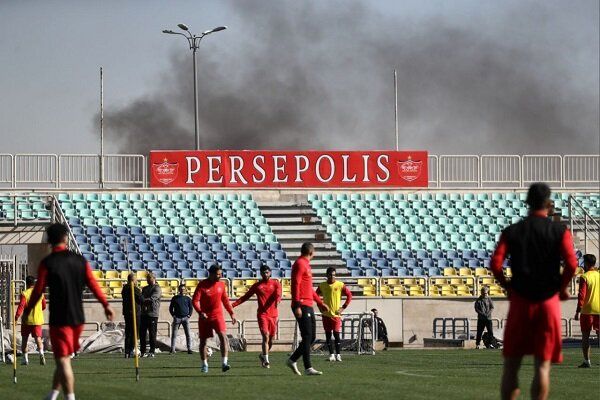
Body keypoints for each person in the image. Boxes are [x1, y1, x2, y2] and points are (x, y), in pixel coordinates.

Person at [490, 183, 578, 400]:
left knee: (511, 366)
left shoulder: (512, 231)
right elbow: (572, 264)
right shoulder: (560, 231)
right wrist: (562, 288)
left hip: (521, 301)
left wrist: (508, 287)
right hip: (548, 302)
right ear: (549, 204)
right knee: (542, 366)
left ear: (527, 203)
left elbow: (495, 263)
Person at [24, 223, 115, 400]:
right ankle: (52, 395)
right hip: (78, 319)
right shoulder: (80, 260)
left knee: (63, 360)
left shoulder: (47, 263)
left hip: (60, 319)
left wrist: (28, 309)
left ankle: (70, 397)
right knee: (63, 357)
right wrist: (106, 305)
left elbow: (38, 290)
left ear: (49, 241)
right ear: (65, 238)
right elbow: (93, 283)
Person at [287, 242, 329, 376]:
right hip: (302, 304)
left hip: (308, 304)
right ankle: (308, 367)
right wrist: (297, 305)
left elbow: (309, 288)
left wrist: (319, 302)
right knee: (307, 336)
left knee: (311, 337)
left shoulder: (306, 264)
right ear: (312, 252)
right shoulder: (300, 263)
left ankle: (293, 359)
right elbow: (295, 284)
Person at [232, 264, 281, 368]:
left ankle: (263, 355)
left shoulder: (276, 283)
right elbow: (245, 297)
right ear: (260, 273)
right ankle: (267, 361)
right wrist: (233, 304)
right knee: (265, 336)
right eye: (263, 272)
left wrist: (277, 300)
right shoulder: (257, 286)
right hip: (262, 315)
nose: (265, 274)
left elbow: (278, 294)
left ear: (270, 273)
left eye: (267, 272)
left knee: (271, 340)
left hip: (273, 315)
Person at [192, 264, 237, 373]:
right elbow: (194, 301)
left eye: (220, 274)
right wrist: (200, 312)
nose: (220, 276)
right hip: (204, 317)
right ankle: (204, 364)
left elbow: (225, 301)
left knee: (223, 337)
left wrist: (232, 313)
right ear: (211, 274)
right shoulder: (202, 285)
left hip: (217, 315)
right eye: (217, 274)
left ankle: (224, 363)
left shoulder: (221, 285)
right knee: (203, 341)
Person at [316, 267, 352, 362]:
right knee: (328, 335)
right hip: (326, 314)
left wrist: (343, 307)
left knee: (336, 335)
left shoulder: (340, 285)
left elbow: (349, 295)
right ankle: (331, 355)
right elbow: (315, 295)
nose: (333, 277)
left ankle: (338, 354)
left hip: (336, 315)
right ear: (327, 275)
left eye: (334, 275)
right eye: (331, 275)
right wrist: (320, 305)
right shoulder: (322, 285)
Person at [14, 275, 47, 366]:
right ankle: (41, 354)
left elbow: (21, 306)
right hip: (37, 320)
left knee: (24, 339)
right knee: (38, 339)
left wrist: (16, 317)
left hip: (26, 320)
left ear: (27, 283)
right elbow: (44, 306)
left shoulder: (25, 293)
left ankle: (25, 360)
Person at [574, 254, 599, 368]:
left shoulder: (585, 277)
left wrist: (577, 311)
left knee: (585, 336)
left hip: (587, 310)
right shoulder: (599, 275)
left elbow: (581, 296)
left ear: (587, 263)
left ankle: (587, 361)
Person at [140, 273, 161, 357]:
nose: (147, 280)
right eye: (147, 278)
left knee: (152, 334)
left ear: (154, 278)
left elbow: (152, 298)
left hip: (153, 314)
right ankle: (143, 351)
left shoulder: (157, 288)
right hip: (144, 313)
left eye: (149, 278)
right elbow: (141, 298)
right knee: (142, 334)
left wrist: (143, 300)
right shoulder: (144, 288)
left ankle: (152, 351)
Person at [121, 273, 141, 358]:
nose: (137, 281)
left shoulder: (124, 288)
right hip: (134, 313)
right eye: (136, 279)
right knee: (134, 332)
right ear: (133, 280)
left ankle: (127, 352)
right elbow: (140, 299)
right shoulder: (134, 288)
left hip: (127, 312)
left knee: (128, 332)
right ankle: (132, 349)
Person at [169, 284, 193, 354]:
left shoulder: (188, 298)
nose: (182, 290)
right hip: (177, 318)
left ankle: (189, 349)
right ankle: (172, 349)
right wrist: (173, 316)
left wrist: (189, 315)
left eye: (183, 289)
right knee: (174, 334)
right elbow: (171, 308)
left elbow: (191, 308)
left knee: (188, 334)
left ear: (185, 290)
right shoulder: (174, 298)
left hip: (186, 318)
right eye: (181, 289)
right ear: (179, 290)